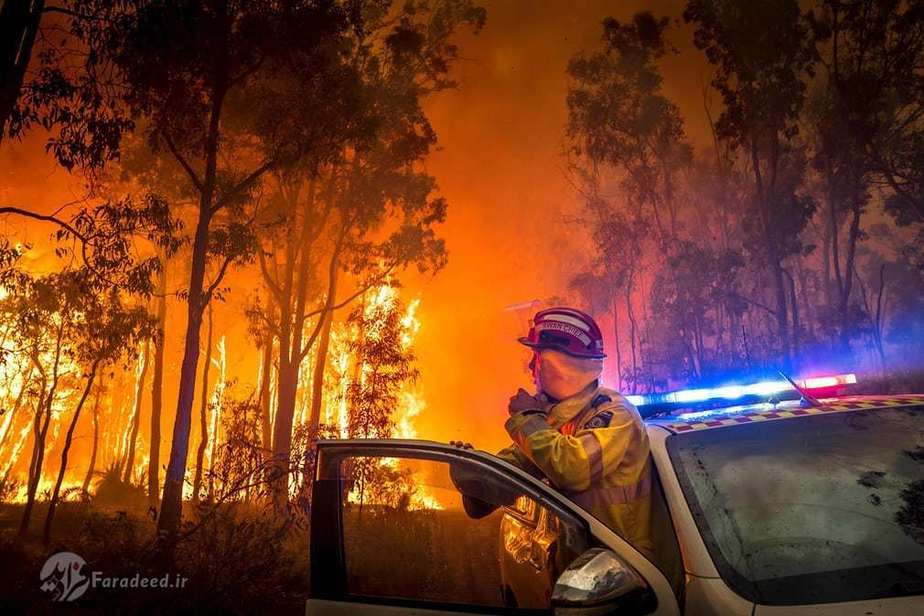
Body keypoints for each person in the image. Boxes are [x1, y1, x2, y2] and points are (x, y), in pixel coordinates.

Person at [454, 307, 654, 558]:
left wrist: (527, 418)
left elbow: (572, 468)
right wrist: (472, 472)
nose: (530, 366)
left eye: (536, 358)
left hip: (628, 572)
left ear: (559, 367)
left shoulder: (615, 415)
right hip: (581, 569)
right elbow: (504, 481)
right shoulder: (554, 420)